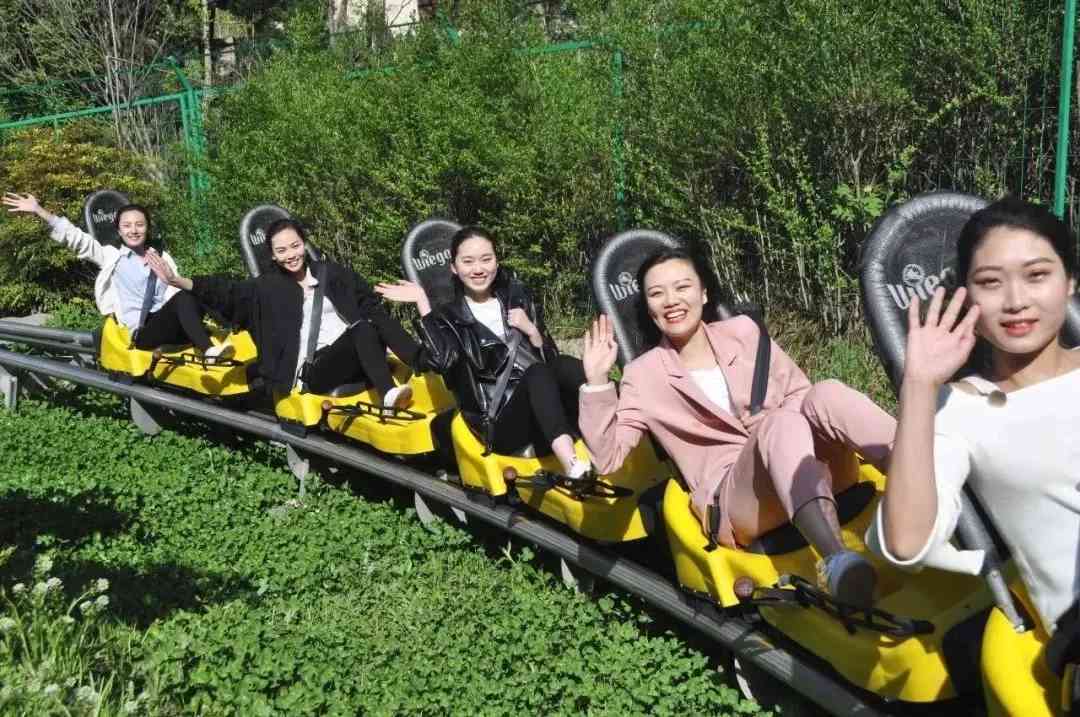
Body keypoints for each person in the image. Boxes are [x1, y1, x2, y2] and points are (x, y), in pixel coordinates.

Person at [579, 247, 896, 606]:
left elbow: (799, 392)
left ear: (704, 293)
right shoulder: (643, 375)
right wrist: (597, 382)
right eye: (656, 293)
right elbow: (607, 458)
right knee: (779, 424)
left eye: (682, 287)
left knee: (826, 392)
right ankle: (838, 563)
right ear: (648, 309)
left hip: (808, 469)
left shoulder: (744, 332)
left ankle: (926, 475)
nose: (671, 300)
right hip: (738, 500)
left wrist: (777, 427)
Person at [871, 197, 1080, 643]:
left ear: (1070, 282)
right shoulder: (959, 410)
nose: (1016, 301)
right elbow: (906, 544)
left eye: (1037, 275)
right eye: (990, 282)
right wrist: (919, 385)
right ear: (965, 296)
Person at [376, 225, 590, 480]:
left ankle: (620, 417)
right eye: (468, 262)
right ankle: (572, 465)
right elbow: (443, 361)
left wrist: (532, 330)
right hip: (500, 422)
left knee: (564, 364)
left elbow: (551, 359)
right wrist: (423, 303)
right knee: (537, 374)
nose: (478, 269)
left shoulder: (517, 299)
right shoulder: (448, 317)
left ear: (496, 262)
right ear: (454, 268)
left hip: (546, 406)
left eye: (486, 259)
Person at [146, 217, 418, 407]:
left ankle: (423, 363)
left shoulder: (332, 274)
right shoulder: (267, 287)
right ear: (273, 256)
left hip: (350, 355)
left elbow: (370, 306)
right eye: (282, 250)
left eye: (295, 246)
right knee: (362, 328)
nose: (291, 255)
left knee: (371, 321)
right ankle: (388, 394)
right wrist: (179, 281)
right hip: (314, 370)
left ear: (304, 244)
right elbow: (227, 292)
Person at [2, 192, 230, 358]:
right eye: (127, 226)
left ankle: (231, 328)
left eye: (139, 225)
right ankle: (209, 350)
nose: (134, 230)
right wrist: (40, 211)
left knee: (198, 287)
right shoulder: (112, 257)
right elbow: (77, 239)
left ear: (147, 228)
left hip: (171, 323)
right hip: (144, 332)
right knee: (184, 297)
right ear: (119, 230)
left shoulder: (162, 257)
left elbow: (177, 293)